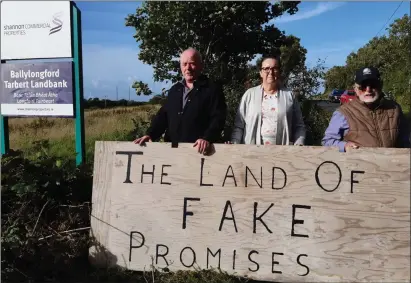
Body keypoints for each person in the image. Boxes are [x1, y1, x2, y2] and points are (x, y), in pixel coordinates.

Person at [134, 48, 227, 154]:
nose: (188, 68)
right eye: (184, 64)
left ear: (201, 65)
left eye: (192, 63)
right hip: (173, 151)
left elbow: (218, 118)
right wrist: (150, 134)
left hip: (199, 152)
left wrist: (207, 138)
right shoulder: (175, 90)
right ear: (180, 66)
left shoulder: (212, 89)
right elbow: (164, 116)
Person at [322, 66, 410, 152]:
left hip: (392, 164)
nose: (368, 90)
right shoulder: (343, 113)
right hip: (359, 165)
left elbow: (405, 140)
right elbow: (327, 141)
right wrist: (344, 146)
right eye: (363, 86)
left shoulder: (394, 109)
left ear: (380, 86)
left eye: (373, 85)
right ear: (355, 89)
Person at [230, 55, 306, 145]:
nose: (271, 72)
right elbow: (239, 126)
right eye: (266, 68)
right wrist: (235, 144)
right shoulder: (249, 95)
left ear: (279, 72)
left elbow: (299, 126)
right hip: (251, 151)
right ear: (261, 72)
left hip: (282, 153)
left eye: (275, 68)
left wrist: (299, 143)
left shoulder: (289, 95)